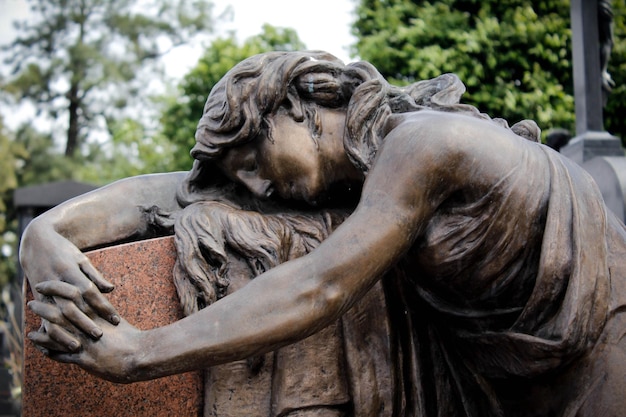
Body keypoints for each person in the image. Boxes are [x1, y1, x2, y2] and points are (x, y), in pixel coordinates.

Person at [22, 51, 626, 416]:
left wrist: (141, 353)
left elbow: (322, 286)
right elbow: (179, 192)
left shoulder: (425, 146)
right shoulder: (373, 179)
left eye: (253, 159)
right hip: (512, 389)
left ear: (296, 106)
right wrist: (46, 234)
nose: (257, 190)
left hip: (600, 372)